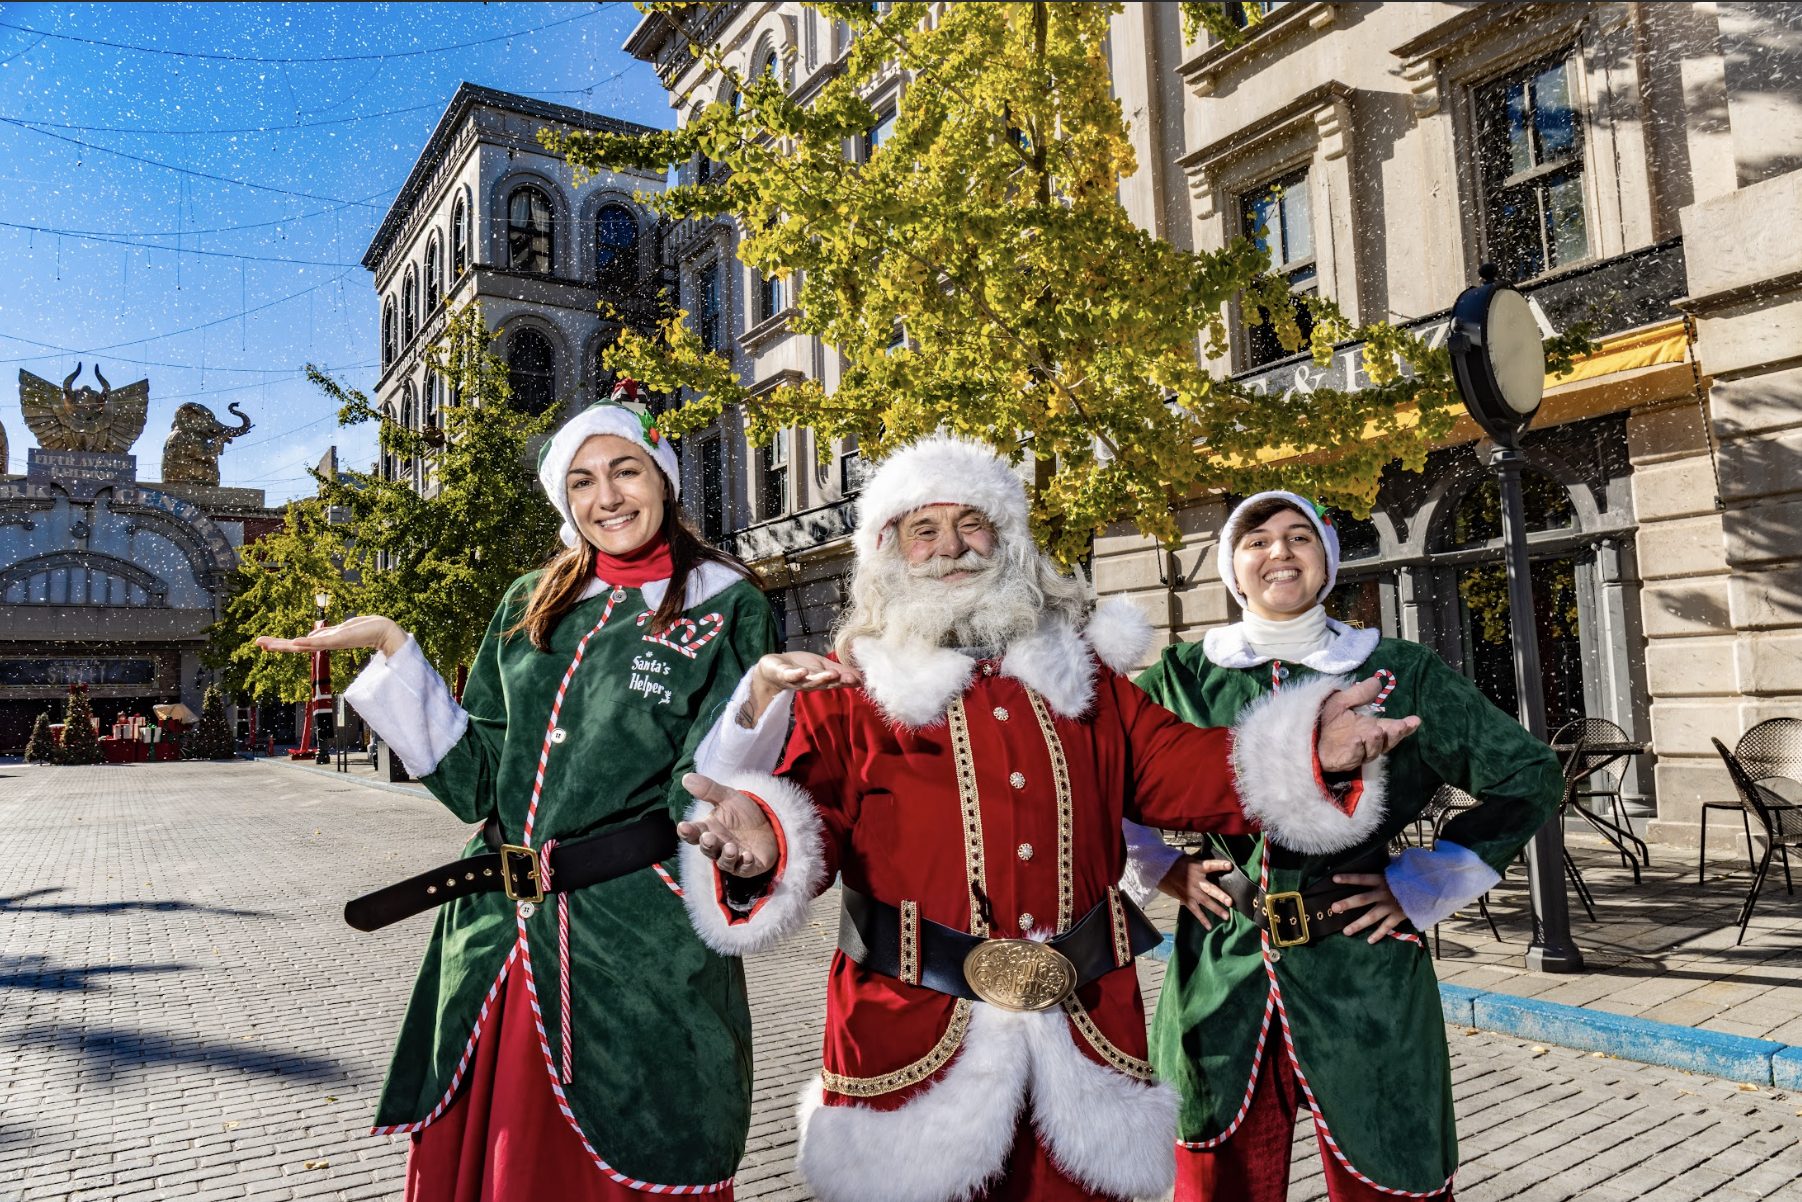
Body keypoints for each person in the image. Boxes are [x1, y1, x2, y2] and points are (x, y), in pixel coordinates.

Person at [670, 436, 1420, 1202]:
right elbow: (808, 820)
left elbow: (1184, 767)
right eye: (924, 530)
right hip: (910, 1041)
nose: (952, 547)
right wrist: (765, 838)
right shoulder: (851, 693)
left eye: (972, 523)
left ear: (1008, 541)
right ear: (889, 551)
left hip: (1082, 1033)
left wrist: (1304, 748)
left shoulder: (1083, 679)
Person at [257, 394, 775, 1200]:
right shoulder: (531, 598)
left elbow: (711, 785)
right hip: (495, 937)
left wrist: (756, 729)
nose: (607, 497)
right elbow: (477, 780)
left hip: (635, 944)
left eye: (626, 471)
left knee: (633, 1139)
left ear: (664, 480)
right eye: (582, 482)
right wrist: (395, 650)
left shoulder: (726, 602)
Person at [1123, 491, 1563, 1202]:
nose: (1279, 552)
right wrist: (1159, 865)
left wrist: (1425, 883)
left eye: (1299, 537)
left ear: (1327, 559)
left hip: (1367, 973)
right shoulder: (1181, 677)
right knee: (1216, 1180)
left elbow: (1529, 775)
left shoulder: (1398, 669)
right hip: (1220, 971)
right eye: (1256, 541)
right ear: (1234, 567)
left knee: (1389, 1171)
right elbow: (1092, 775)